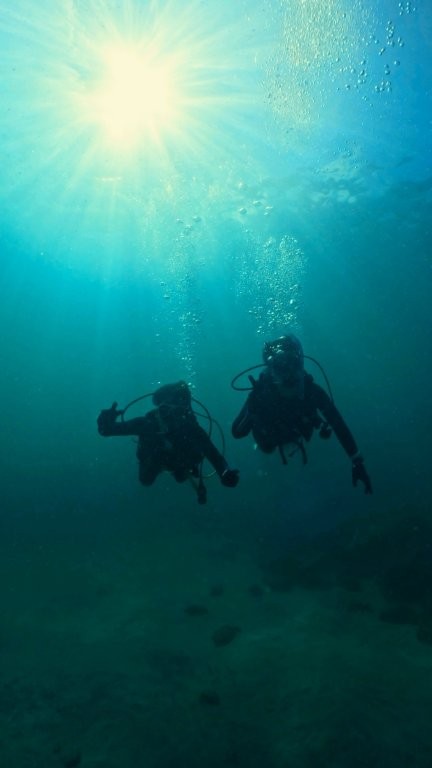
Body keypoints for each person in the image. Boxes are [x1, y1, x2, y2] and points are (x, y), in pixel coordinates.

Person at [231, 334, 372, 494]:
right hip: (271, 439)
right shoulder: (262, 393)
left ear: (300, 364)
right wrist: (252, 408)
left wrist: (357, 460)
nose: (289, 373)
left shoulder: (311, 391)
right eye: (282, 366)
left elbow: (337, 422)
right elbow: (237, 432)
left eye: (292, 364)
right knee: (267, 448)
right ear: (272, 369)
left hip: (297, 432)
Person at [97, 380, 239, 504]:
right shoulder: (148, 424)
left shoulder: (192, 429)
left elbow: (214, 455)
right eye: (167, 410)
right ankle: (164, 462)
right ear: (160, 408)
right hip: (156, 459)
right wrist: (105, 418)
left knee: (180, 474)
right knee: (146, 480)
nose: (173, 417)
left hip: (180, 462)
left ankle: (181, 468)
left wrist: (224, 472)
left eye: (179, 410)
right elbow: (106, 430)